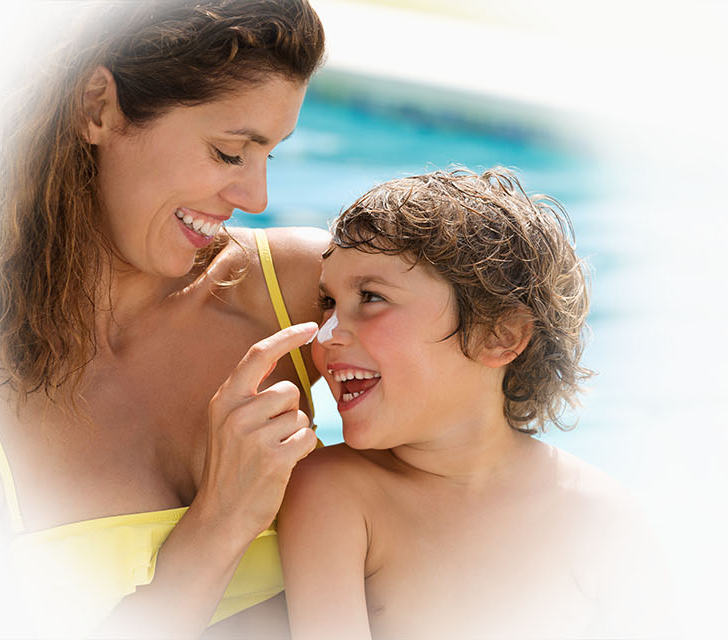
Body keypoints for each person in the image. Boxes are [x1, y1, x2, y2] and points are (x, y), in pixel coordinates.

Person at [0, 1, 331, 636]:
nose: (256, 198)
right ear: (99, 107)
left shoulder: (304, 292)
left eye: (271, 156)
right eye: (231, 153)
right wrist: (222, 521)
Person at [279, 168, 654, 638]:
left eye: (371, 297)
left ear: (500, 335)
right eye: (327, 303)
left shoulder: (601, 517)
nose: (326, 333)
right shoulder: (334, 493)